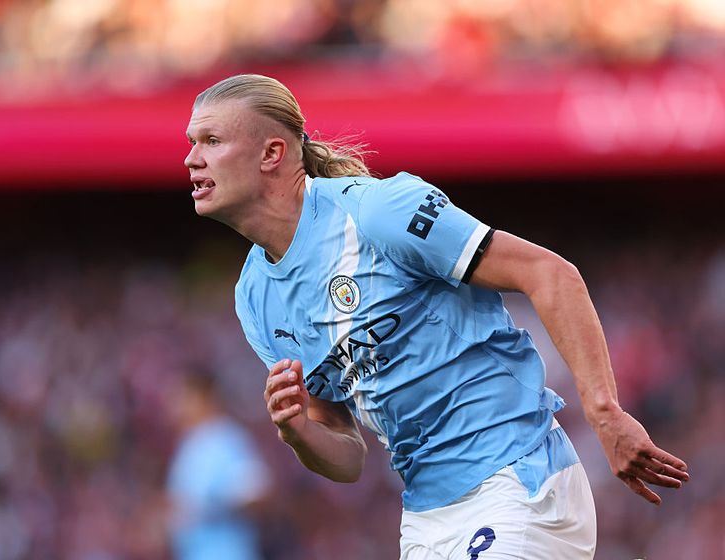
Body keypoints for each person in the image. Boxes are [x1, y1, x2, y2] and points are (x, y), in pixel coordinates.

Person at [184, 74, 690, 559]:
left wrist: (606, 414)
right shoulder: (254, 298)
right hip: (428, 519)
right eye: (192, 142)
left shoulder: (378, 214)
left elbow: (550, 274)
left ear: (272, 153)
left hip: (517, 479)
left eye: (210, 140)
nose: (191, 159)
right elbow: (348, 457)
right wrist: (299, 432)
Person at [166, 369, 270, 560]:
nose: (179, 406)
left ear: (206, 398)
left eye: (186, 398)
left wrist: (214, 505)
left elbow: (256, 493)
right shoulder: (189, 445)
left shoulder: (227, 439)